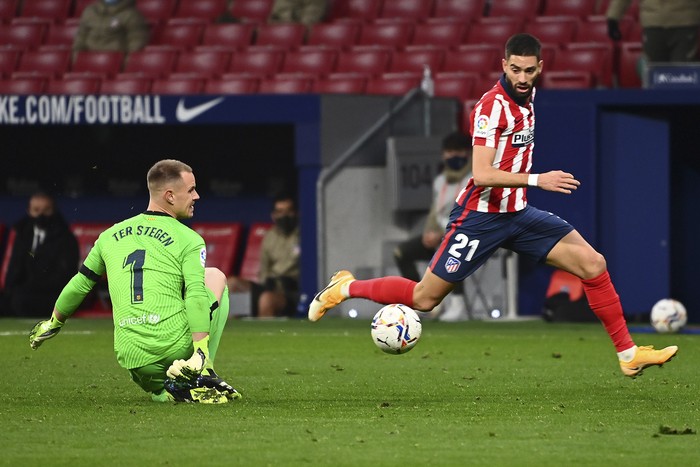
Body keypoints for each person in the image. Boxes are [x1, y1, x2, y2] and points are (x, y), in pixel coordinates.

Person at [309, 33, 679, 378]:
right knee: (425, 299)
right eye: (515, 69)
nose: (521, 77)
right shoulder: (491, 108)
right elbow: (482, 173)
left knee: (593, 263)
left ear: (540, 68)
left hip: (517, 214)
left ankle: (628, 355)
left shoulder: (528, 96)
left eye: (529, 70)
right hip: (479, 217)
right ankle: (345, 287)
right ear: (503, 65)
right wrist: (539, 179)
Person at [29, 160, 241, 404]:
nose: (197, 196)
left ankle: (164, 392)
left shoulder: (109, 236)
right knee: (213, 276)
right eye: (191, 190)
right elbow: (195, 295)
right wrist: (200, 351)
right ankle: (202, 372)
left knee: (158, 385)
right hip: (175, 349)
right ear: (170, 196)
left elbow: (80, 284)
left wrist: (53, 323)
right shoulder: (189, 239)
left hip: (134, 359)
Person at [393, 131, 472, 321]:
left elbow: (470, 215)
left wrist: (443, 234)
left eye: (459, 151)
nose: (454, 156)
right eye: (450, 152)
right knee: (401, 252)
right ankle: (419, 297)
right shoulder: (440, 182)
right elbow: (435, 213)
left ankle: (456, 304)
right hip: (439, 238)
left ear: (468, 153)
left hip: (467, 239)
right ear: (443, 155)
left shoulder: (474, 180)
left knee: (453, 247)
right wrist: (430, 232)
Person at [0, 192, 79, 318]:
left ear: (54, 211)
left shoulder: (65, 238)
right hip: (21, 293)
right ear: (29, 211)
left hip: (52, 295)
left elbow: (65, 277)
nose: (41, 215)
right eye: (36, 210)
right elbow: (14, 269)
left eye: (46, 210)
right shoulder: (21, 235)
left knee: (21, 301)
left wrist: (29, 287)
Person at [228, 193, 300, 318]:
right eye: (280, 212)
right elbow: (264, 269)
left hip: (291, 292)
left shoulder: (304, 234)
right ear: (274, 215)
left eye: (289, 211)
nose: (285, 216)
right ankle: (233, 331)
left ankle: (264, 336)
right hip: (270, 287)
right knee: (232, 284)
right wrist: (266, 284)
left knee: (266, 299)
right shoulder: (270, 236)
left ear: (296, 213)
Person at [607, 0, 700, 62]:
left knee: (681, 74)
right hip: (682, 23)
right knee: (658, 74)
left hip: (683, 24)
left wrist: (613, 17)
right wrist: (613, 18)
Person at [72, 0, 149, 60]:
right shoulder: (90, 12)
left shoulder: (132, 15)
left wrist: (124, 64)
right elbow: (80, 38)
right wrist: (76, 59)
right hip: (87, 62)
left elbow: (136, 43)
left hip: (114, 63)